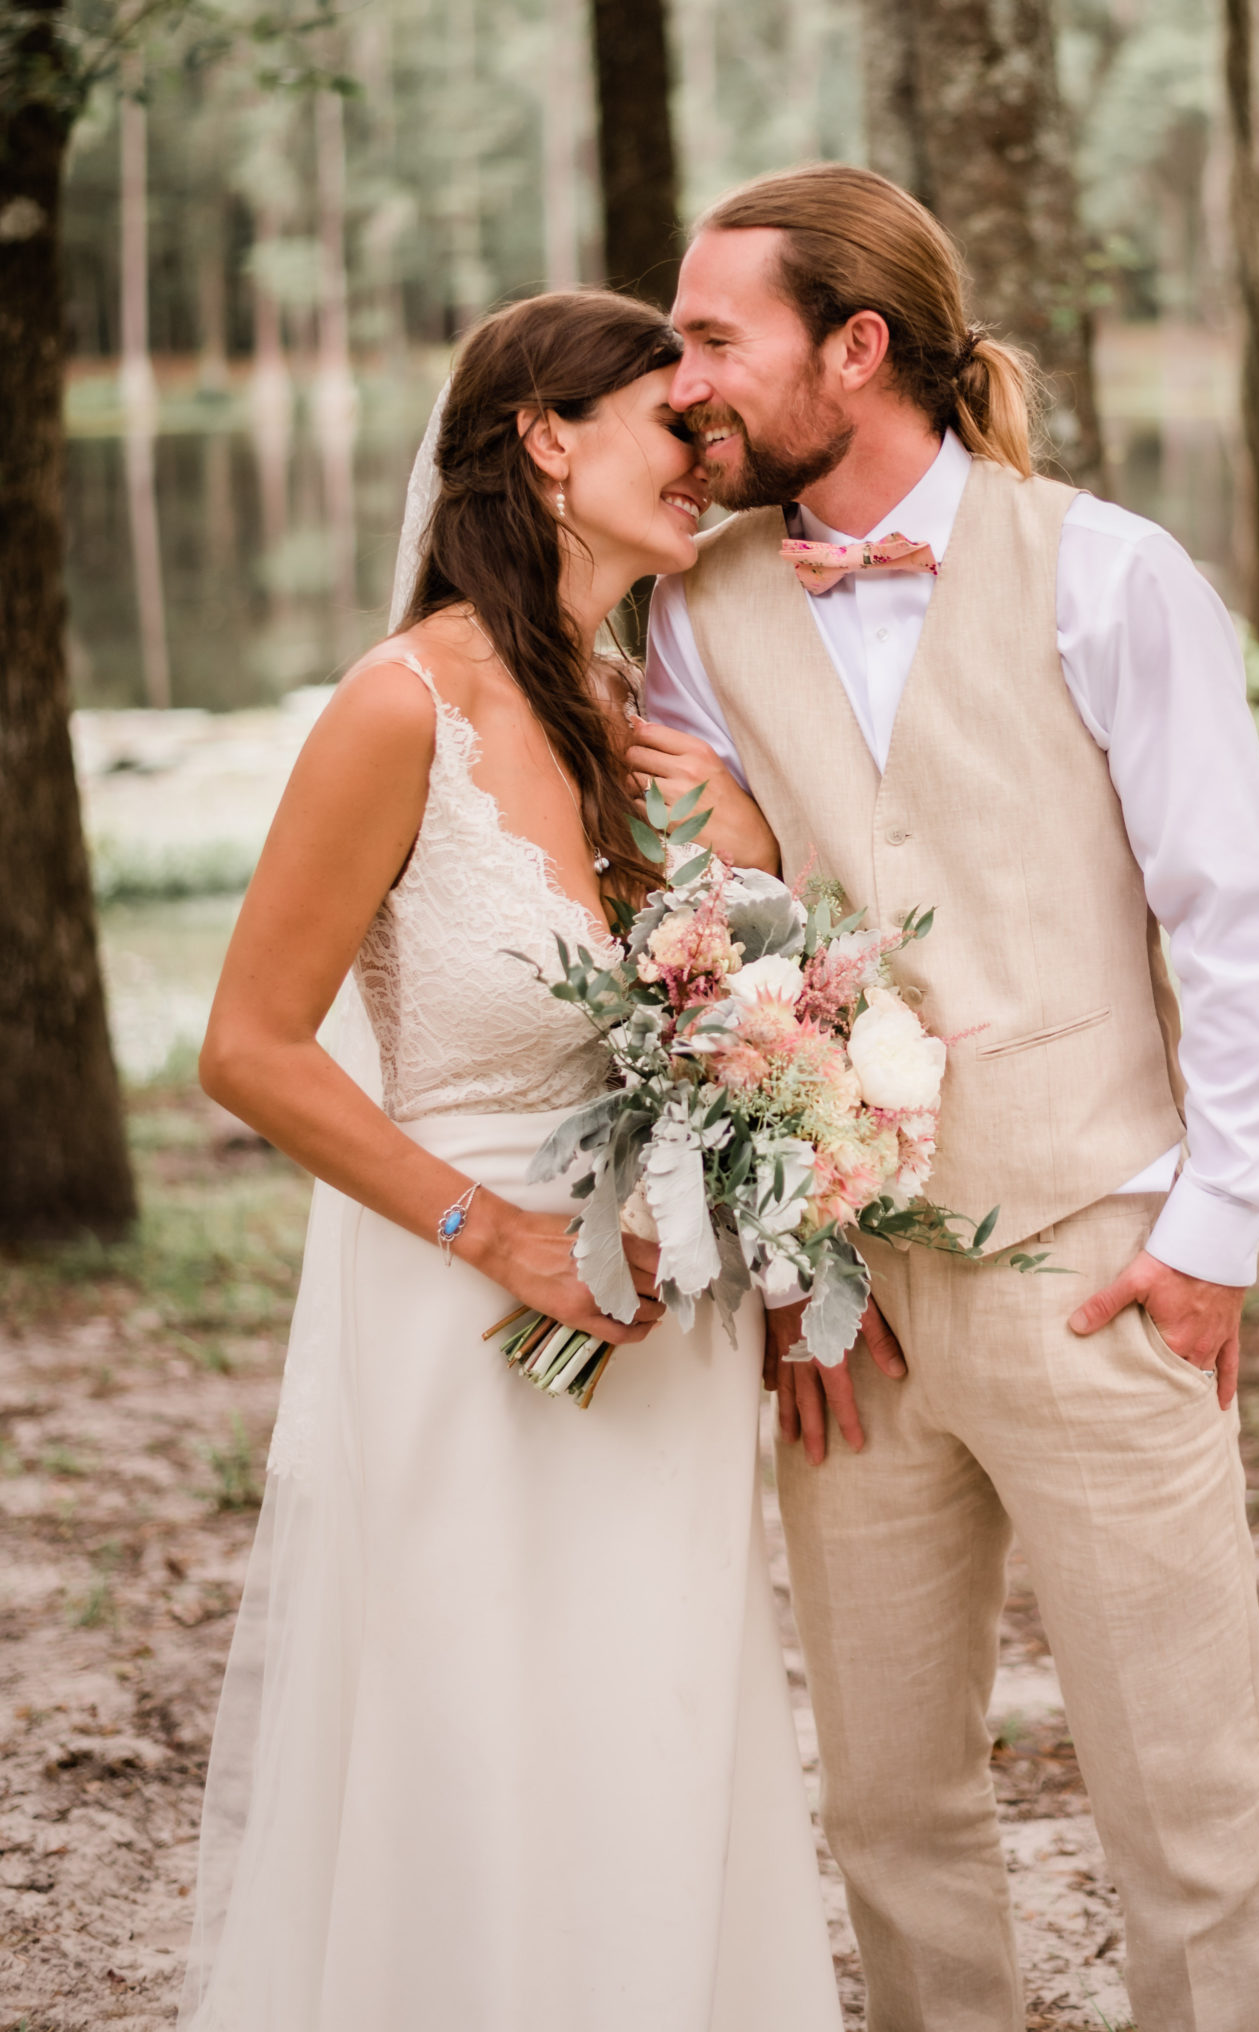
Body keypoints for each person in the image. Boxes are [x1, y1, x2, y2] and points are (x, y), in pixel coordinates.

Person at [636, 166, 1259, 2032]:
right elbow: (713, 938)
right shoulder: (692, 610)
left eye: (714, 339)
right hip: (843, 1316)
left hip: (1093, 1262)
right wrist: (782, 1265)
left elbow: (1240, 924)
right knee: (886, 1801)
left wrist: (1210, 1235)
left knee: (1185, 1794)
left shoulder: (1101, 569)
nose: (683, 378)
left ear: (854, 351)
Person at [181, 292, 842, 2032]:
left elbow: (725, 1021)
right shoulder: (401, 705)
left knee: (656, 1729)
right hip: (467, 1316)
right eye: (667, 430)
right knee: (473, 1745)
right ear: (545, 438)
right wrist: (501, 1236)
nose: (707, 463)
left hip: (663, 1334)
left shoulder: (651, 725)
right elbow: (247, 1048)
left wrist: (750, 853)